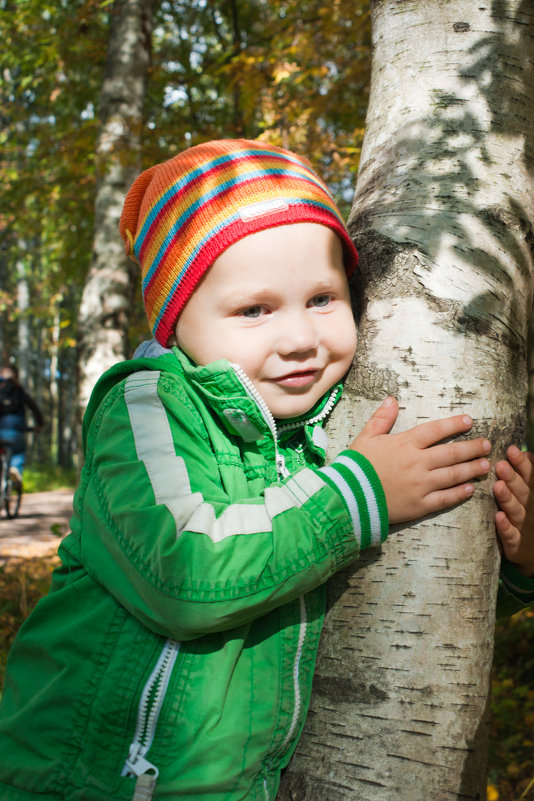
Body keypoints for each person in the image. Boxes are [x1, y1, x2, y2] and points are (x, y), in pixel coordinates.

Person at [0, 139, 532, 801]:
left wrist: (513, 563)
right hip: (80, 783)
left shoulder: (322, 436)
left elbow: (378, 590)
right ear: (174, 323)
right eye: (254, 310)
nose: (300, 338)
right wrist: (357, 493)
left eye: (322, 298)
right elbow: (181, 572)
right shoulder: (148, 403)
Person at [0, 364, 44, 479]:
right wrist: (39, 424)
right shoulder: (20, 391)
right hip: (16, 431)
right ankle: (15, 469)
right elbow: (34, 408)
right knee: (18, 451)